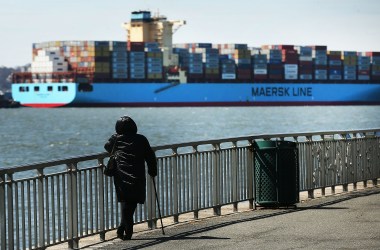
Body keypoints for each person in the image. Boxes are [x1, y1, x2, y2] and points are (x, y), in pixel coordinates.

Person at [104, 116, 157, 240]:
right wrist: (152, 171)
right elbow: (150, 156)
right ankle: (126, 229)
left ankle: (125, 228)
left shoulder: (115, 139)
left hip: (121, 174)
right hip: (137, 173)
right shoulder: (141, 139)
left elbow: (107, 147)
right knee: (131, 202)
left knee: (126, 200)